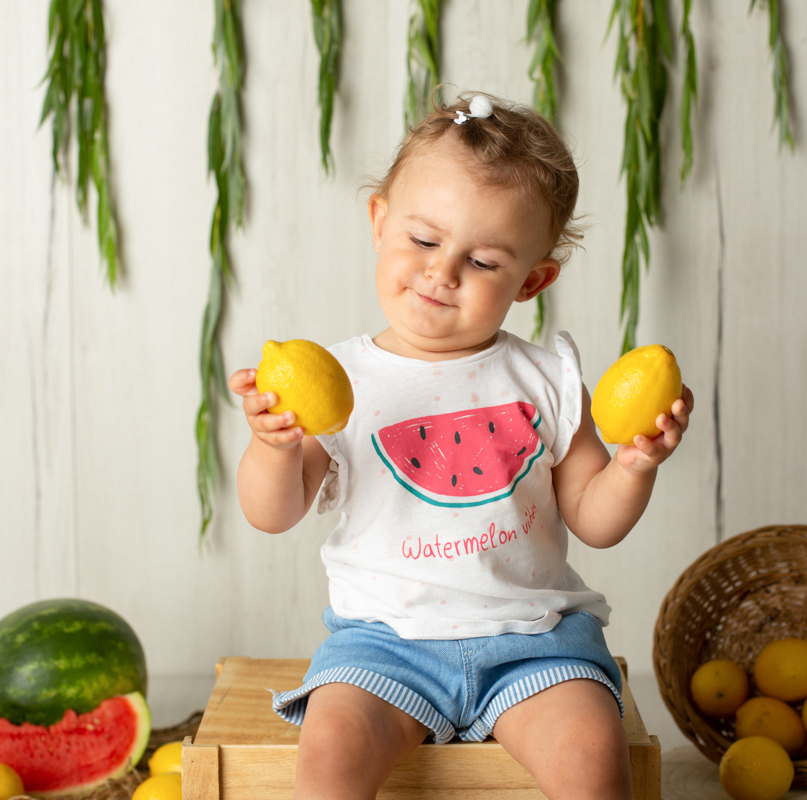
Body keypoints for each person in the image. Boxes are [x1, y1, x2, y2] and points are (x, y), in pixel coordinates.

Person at [229, 92, 693, 800]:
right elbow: (273, 512)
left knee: (594, 752)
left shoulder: (548, 379)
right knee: (328, 756)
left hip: (535, 643)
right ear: (380, 221)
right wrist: (274, 445)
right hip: (382, 644)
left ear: (532, 280)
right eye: (423, 240)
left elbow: (596, 521)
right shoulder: (337, 381)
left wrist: (634, 464)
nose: (442, 273)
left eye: (482, 261)